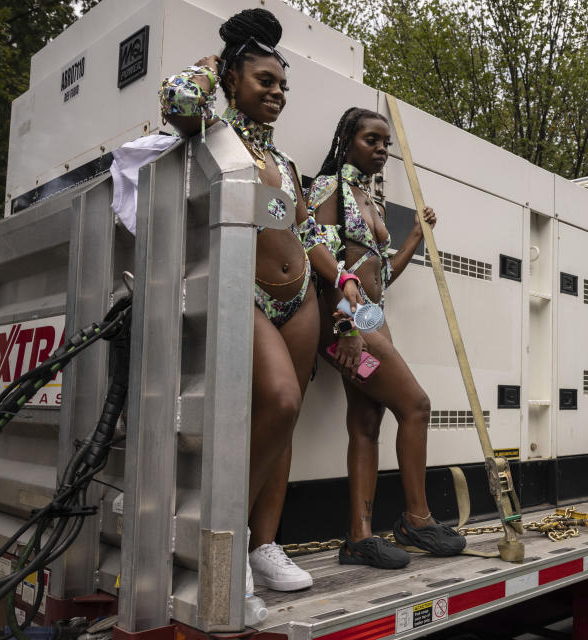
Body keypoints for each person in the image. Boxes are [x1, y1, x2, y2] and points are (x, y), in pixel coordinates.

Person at [158, 8, 350, 593]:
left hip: (302, 304)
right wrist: (215, 65)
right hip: (247, 295)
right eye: (265, 81)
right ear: (235, 81)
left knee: (282, 426)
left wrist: (342, 283)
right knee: (283, 402)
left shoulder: (285, 163)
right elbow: (178, 103)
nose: (277, 93)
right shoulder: (214, 135)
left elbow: (309, 234)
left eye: (283, 86)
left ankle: (265, 545)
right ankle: (228, 540)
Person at [304, 107, 467, 569]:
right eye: (372, 140)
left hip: (370, 319)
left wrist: (415, 236)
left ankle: (359, 538)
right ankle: (417, 518)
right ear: (347, 142)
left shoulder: (370, 200)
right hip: (345, 321)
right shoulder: (329, 188)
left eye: (386, 144)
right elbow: (321, 261)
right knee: (415, 405)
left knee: (367, 419)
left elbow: (382, 277)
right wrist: (346, 328)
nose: (381, 150)